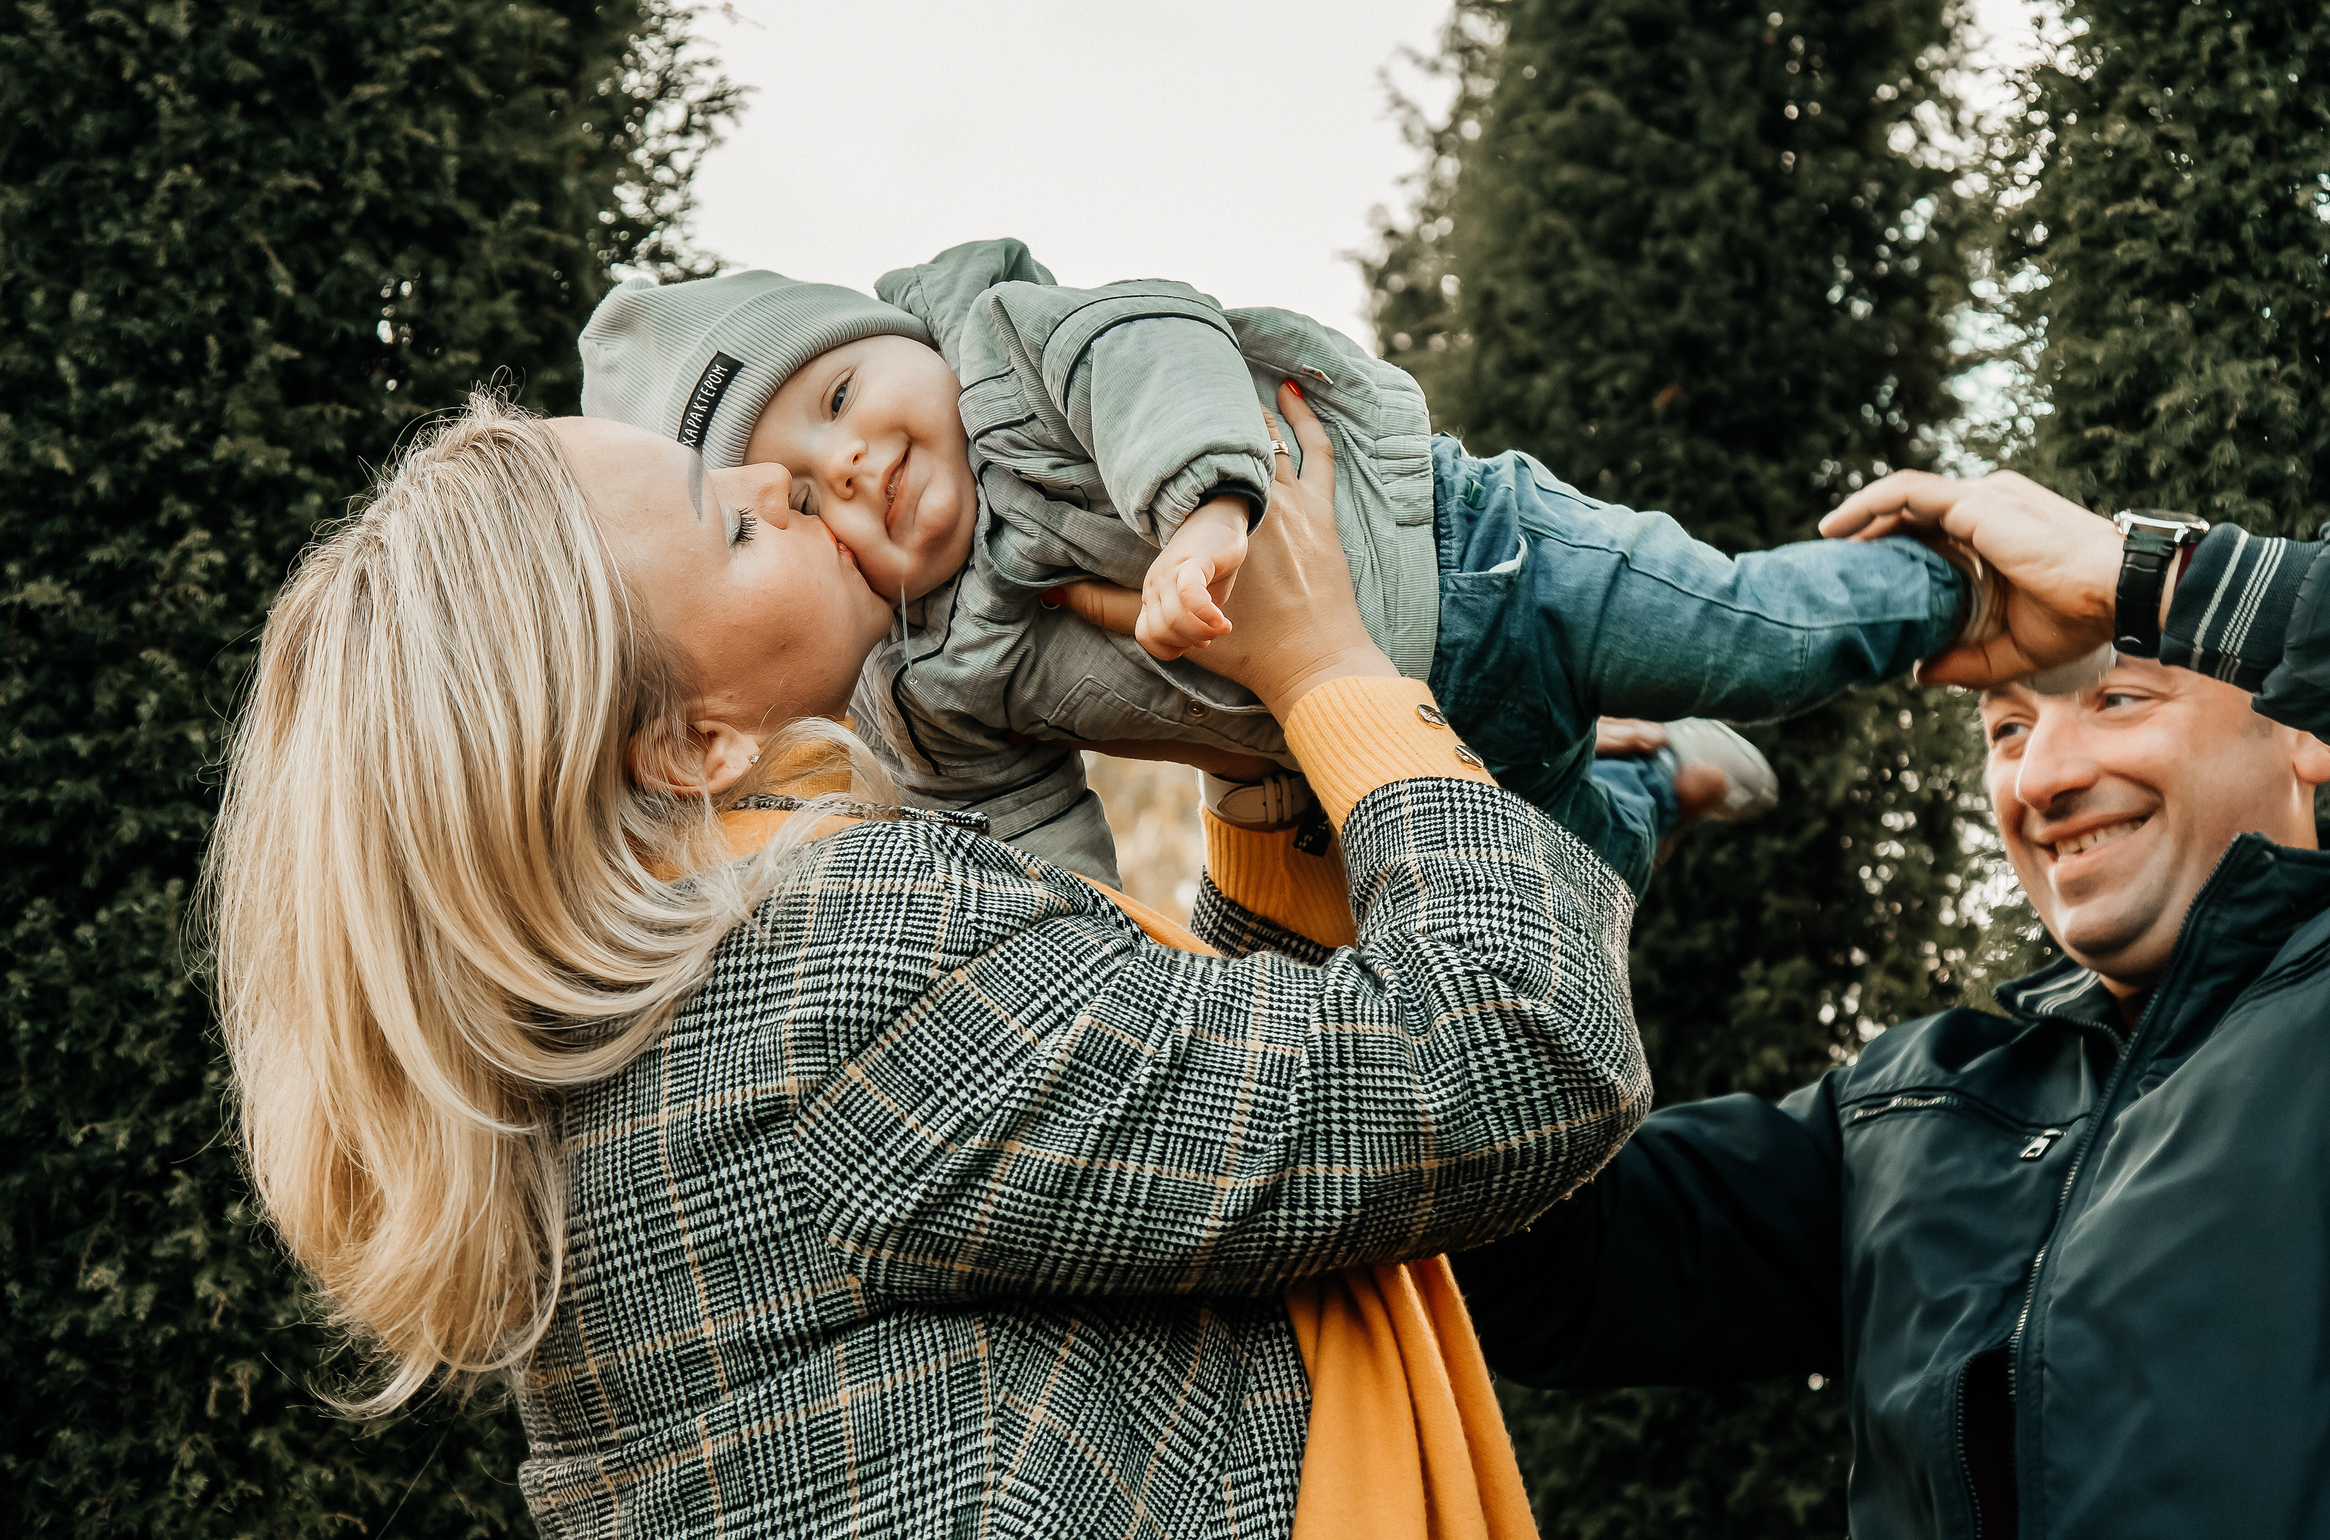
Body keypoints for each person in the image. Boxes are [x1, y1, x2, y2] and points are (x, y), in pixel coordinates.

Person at [209, 387, 1653, 1537]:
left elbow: (1195, 1159)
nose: (774, 479)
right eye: (728, 526)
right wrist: (1339, 672)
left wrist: (1261, 773)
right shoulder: (823, 978)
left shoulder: (638, 1044)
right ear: (690, 742)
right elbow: (1512, 1052)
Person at [1451, 467, 2330, 1538]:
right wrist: (1527, 836)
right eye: (2006, 731)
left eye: (2119, 698)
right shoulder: (1905, 1111)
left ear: (2312, 733)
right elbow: (1527, 1247)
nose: (2040, 780)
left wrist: (2157, 577)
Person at [574, 239, 1984, 894]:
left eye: (837, 404)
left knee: (1749, 635)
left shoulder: (1011, 358)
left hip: (1491, 563)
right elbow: (1020, 826)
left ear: (895, 333)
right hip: (1355, 755)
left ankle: (1960, 587)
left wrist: (1203, 510)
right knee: (1564, 879)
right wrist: (1086, 942)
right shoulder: (924, 677)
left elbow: (1158, 347)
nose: (860, 468)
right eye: (809, 497)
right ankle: (1650, 777)